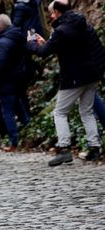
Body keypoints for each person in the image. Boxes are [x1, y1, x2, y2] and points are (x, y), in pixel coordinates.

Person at [27, 0, 103, 165]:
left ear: (56, 11)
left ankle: (64, 149)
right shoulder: (82, 23)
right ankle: (95, 148)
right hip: (92, 74)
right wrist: (46, 42)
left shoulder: (61, 31)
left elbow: (44, 52)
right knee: (87, 111)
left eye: (51, 13)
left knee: (60, 113)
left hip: (74, 77)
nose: (51, 16)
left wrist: (31, 43)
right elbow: (65, 47)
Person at [0, 14, 30, 152]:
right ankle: (28, 130)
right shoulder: (14, 37)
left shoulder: (3, 42)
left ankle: (14, 142)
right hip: (16, 79)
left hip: (5, 82)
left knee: (7, 112)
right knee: (19, 108)